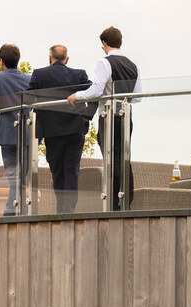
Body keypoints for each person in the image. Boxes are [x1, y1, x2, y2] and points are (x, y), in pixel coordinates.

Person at [67, 26, 140, 211]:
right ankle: (126, 200)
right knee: (124, 158)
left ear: (104, 43)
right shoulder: (133, 65)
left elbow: (97, 90)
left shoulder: (104, 62)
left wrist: (77, 95)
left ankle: (114, 202)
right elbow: (138, 96)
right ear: (120, 42)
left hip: (109, 116)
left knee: (110, 157)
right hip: (126, 117)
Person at [26, 45, 95, 214]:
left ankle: (61, 209)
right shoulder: (79, 75)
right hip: (75, 130)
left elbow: (27, 98)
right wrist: (87, 115)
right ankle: (68, 210)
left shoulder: (39, 75)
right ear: (67, 59)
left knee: (57, 172)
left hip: (52, 132)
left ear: (50, 58)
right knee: (72, 170)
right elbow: (96, 93)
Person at [0, 43, 31, 216]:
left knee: (13, 176)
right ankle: (20, 209)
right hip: (27, 133)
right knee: (21, 177)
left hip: (7, 134)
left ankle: (11, 210)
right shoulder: (29, 78)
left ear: (1, 61)